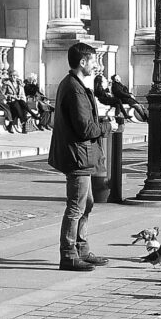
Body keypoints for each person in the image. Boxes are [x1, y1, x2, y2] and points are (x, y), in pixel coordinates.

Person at [48, 42, 110, 272]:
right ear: (82, 62)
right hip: (78, 156)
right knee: (76, 207)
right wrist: (105, 126)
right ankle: (69, 254)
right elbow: (85, 129)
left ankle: (82, 249)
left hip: (81, 155)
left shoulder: (76, 85)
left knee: (88, 203)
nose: (96, 65)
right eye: (93, 60)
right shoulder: (74, 89)